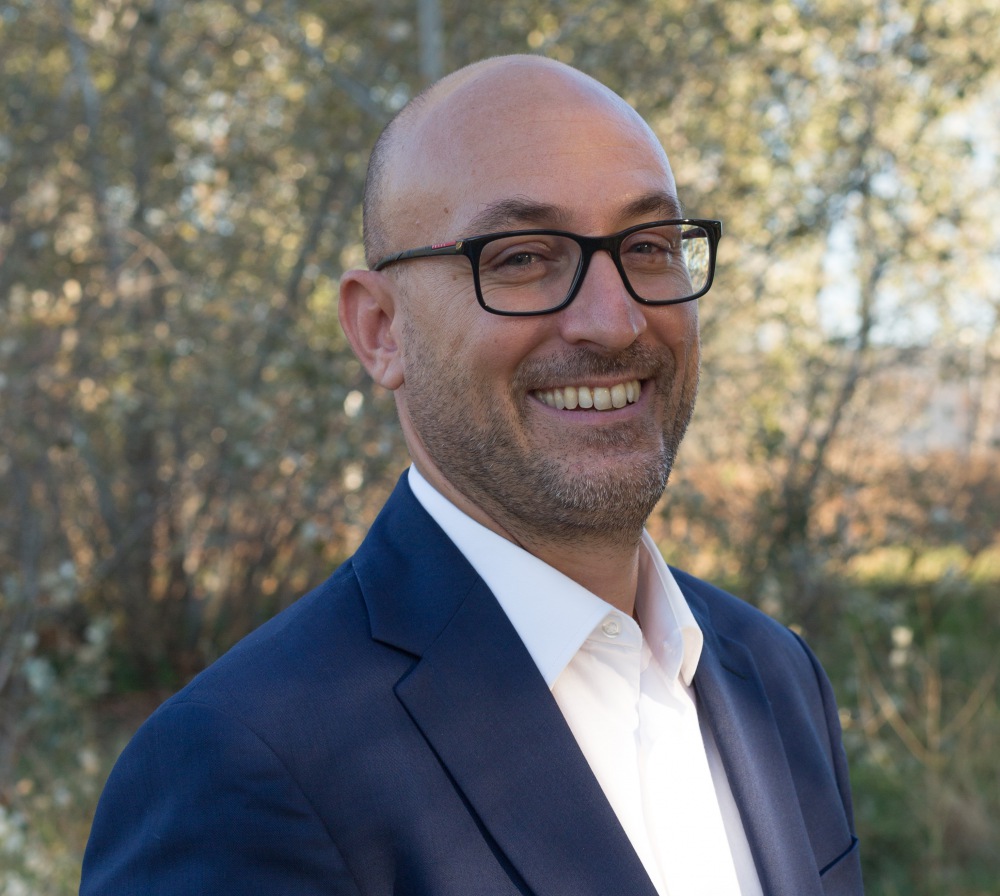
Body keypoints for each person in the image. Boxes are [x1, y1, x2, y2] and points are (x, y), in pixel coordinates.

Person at [80, 55, 863, 895]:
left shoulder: (774, 675)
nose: (614, 320)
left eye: (647, 247)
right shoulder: (239, 767)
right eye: (522, 257)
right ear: (380, 329)